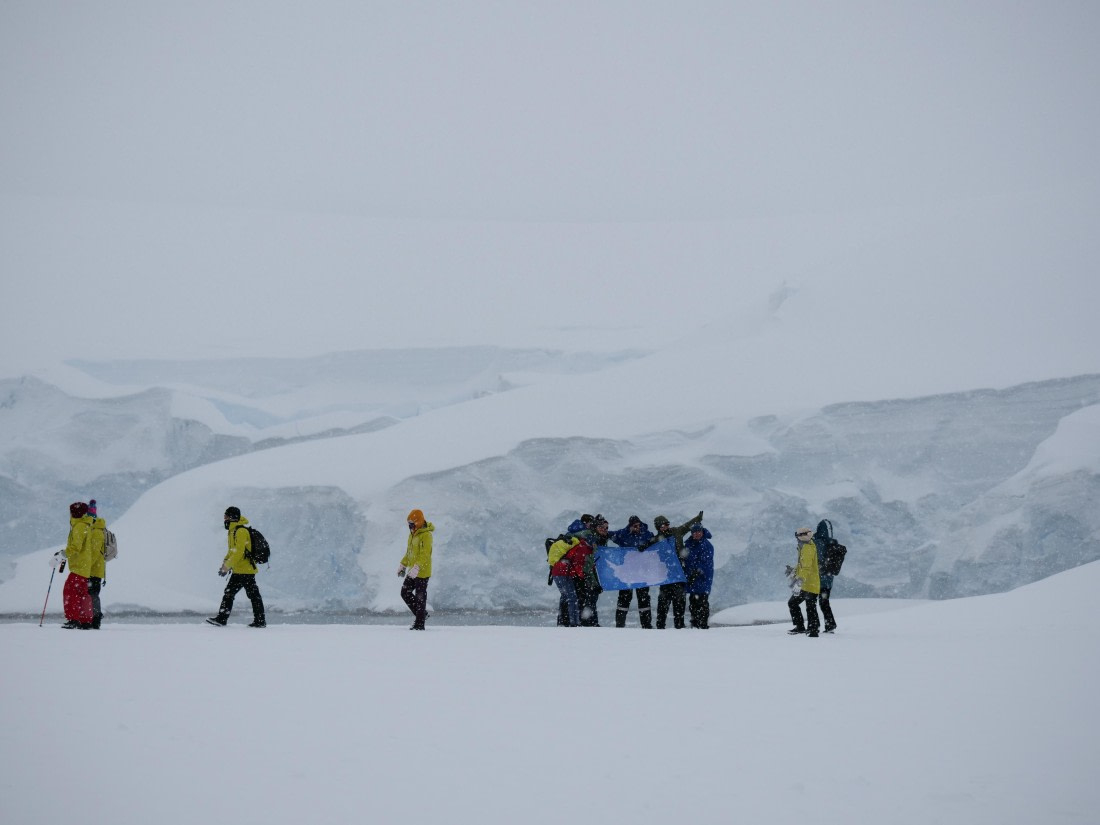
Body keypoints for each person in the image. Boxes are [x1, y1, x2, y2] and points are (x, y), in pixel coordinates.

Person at [207, 506, 266, 628]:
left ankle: (259, 621)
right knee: (230, 593)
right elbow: (232, 551)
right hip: (238, 570)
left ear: (232, 517)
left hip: (246, 570)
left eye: (226, 516)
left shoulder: (241, 531)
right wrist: (225, 564)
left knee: (252, 595)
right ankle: (222, 619)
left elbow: (238, 552)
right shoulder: (232, 531)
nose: (224, 519)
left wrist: (228, 566)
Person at [648, 510, 704, 629]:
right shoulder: (657, 539)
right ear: (658, 527)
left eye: (667, 524)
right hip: (666, 576)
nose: (666, 527)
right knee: (663, 603)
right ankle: (660, 627)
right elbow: (646, 547)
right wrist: (643, 546)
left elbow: (688, 526)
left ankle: (679, 626)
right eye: (663, 525)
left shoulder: (676, 532)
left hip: (679, 574)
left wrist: (697, 519)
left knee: (679, 602)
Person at [610, 515, 655, 628]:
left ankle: (646, 625)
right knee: (624, 599)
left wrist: (648, 544)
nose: (637, 527)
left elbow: (656, 541)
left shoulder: (647, 534)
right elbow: (607, 534)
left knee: (644, 599)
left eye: (639, 525)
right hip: (627, 574)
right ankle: (620, 625)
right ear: (630, 526)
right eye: (635, 526)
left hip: (642, 573)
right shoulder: (622, 535)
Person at [563, 514, 605, 626]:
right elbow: (588, 561)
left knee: (573, 597)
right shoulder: (586, 535)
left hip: (573, 571)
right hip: (581, 572)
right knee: (586, 598)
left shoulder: (573, 534)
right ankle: (588, 622)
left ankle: (567, 622)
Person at [61, 502, 95, 629]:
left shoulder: (79, 526)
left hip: (78, 566)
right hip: (84, 566)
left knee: (70, 592)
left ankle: (73, 620)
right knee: (83, 594)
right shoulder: (86, 525)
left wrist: (63, 554)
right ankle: (85, 621)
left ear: (74, 513)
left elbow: (76, 546)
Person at [399, 509, 434, 630]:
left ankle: (420, 624)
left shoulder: (426, 535)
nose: (410, 526)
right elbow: (409, 552)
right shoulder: (412, 534)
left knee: (420, 597)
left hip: (422, 572)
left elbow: (425, 555)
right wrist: (403, 565)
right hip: (412, 570)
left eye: (411, 523)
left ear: (418, 522)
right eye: (409, 523)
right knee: (405, 592)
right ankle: (422, 615)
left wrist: (417, 567)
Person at [547, 535, 593, 627]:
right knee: (572, 598)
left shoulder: (577, 545)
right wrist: (582, 576)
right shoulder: (582, 548)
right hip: (564, 572)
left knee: (565, 596)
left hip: (556, 571)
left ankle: (562, 621)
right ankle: (574, 623)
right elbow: (577, 564)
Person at [787, 526, 821, 637]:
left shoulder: (807, 548)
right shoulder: (805, 546)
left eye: (797, 536)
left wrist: (799, 581)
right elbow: (802, 565)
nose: (796, 538)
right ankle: (803, 627)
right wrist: (794, 570)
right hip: (807, 583)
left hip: (809, 583)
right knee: (797, 603)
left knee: (809, 606)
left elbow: (806, 567)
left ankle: (813, 630)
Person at [683, 523, 714, 629]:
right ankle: (695, 623)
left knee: (702, 602)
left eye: (698, 532)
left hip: (703, 579)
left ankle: (703, 624)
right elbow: (686, 560)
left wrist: (695, 573)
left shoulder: (707, 545)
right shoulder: (689, 544)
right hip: (692, 579)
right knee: (693, 602)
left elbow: (705, 563)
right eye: (694, 532)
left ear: (702, 532)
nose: (696, 534)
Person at [86, 499, 109, 630]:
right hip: (97, 569)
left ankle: (95, 619)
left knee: (93, 594)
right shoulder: (97, 530)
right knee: (93, 594)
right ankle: (93, 618)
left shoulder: (95, 531)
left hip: (93, 569)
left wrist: (86, 568)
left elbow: (94, 553)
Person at [813, 520, 838, 633]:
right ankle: (830, 624)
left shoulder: (817, 543)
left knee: (811, 603)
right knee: (824, 602)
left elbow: (815, 561)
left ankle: (814, 624)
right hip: (828, 581)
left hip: (817, 580)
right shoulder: (833, 543)